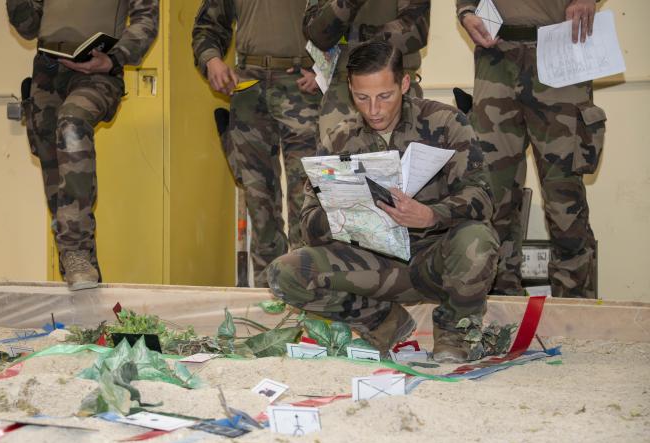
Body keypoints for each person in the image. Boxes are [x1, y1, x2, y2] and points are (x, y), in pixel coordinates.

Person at [267, 40, 498, 363]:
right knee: (285, 273)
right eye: (362, 98)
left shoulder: (446, 123)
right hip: (373, 265)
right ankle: (384, 323)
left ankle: (455, 332)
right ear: (349, 89)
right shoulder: (339, 138)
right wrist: (348, 214)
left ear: (404, 84)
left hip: (435, 259)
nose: (374, 109)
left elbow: (481, 196)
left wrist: (431, 215)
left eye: (384, 96)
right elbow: (308, 223)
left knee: (478, 240)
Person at [6, 0, 159, 290]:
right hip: (47, 75)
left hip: (98, 73)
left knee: (73, 123)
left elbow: (146, 19)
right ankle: (84, 281)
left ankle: (75, 250)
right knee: (60, 196)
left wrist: (114, 58)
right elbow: (28, 28)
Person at [458, 0, 606, 298]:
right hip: (495, 53)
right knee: (492, 194)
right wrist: (466, 11)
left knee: (564, 199)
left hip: (561, 45)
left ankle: (574, 313)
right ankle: (500, 307)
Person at [192, 0, 321, 287]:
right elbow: (207, 27)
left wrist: (325, 72)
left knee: (308, 197)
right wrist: (212, 60)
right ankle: (268, 293)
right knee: (258, 198)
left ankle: (306, 292)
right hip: (248, 87)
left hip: (302, 88)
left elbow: (344, 24)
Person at [304, 0, 430, 137]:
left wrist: (359, 36)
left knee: (400, 156)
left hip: (393, 88)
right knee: (336, 157)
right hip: (343, 89)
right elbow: (317, 35)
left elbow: (415, 30)